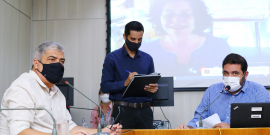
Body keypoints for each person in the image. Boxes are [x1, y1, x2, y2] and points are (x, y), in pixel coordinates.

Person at [0, 41, 122, 135]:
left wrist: (103, 131)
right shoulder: (23, 87)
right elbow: (19, 131)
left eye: (62, 61)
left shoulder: (56, 91)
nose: (58, 65)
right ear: (36, 64)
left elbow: (70, 128)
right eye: (52, 59)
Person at [176, 53, 270, 129]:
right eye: (226, 73)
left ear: (245, 75)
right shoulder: (212, 91)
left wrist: (232, 129)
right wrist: (188, 128)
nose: (229, 77)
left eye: (235, 73)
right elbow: (199, 119)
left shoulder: (258, 91)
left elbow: (266, 124)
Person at [141, 0, 231, 76]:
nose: (177, 21)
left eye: (185, 14)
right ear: (158, 17)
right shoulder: (147, 51)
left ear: (197, 17)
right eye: (169, 14)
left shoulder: (219, 46)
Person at [100, 21, 158, 129]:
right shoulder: (112, 58)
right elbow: (105, 86)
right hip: (122, 111)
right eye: (133, 39)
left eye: (139, 39)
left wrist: (153, 88)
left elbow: (151, 83)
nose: (136, 42)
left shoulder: (148, 58)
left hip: (145, 111)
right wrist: (125, 83)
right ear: (124, 36)